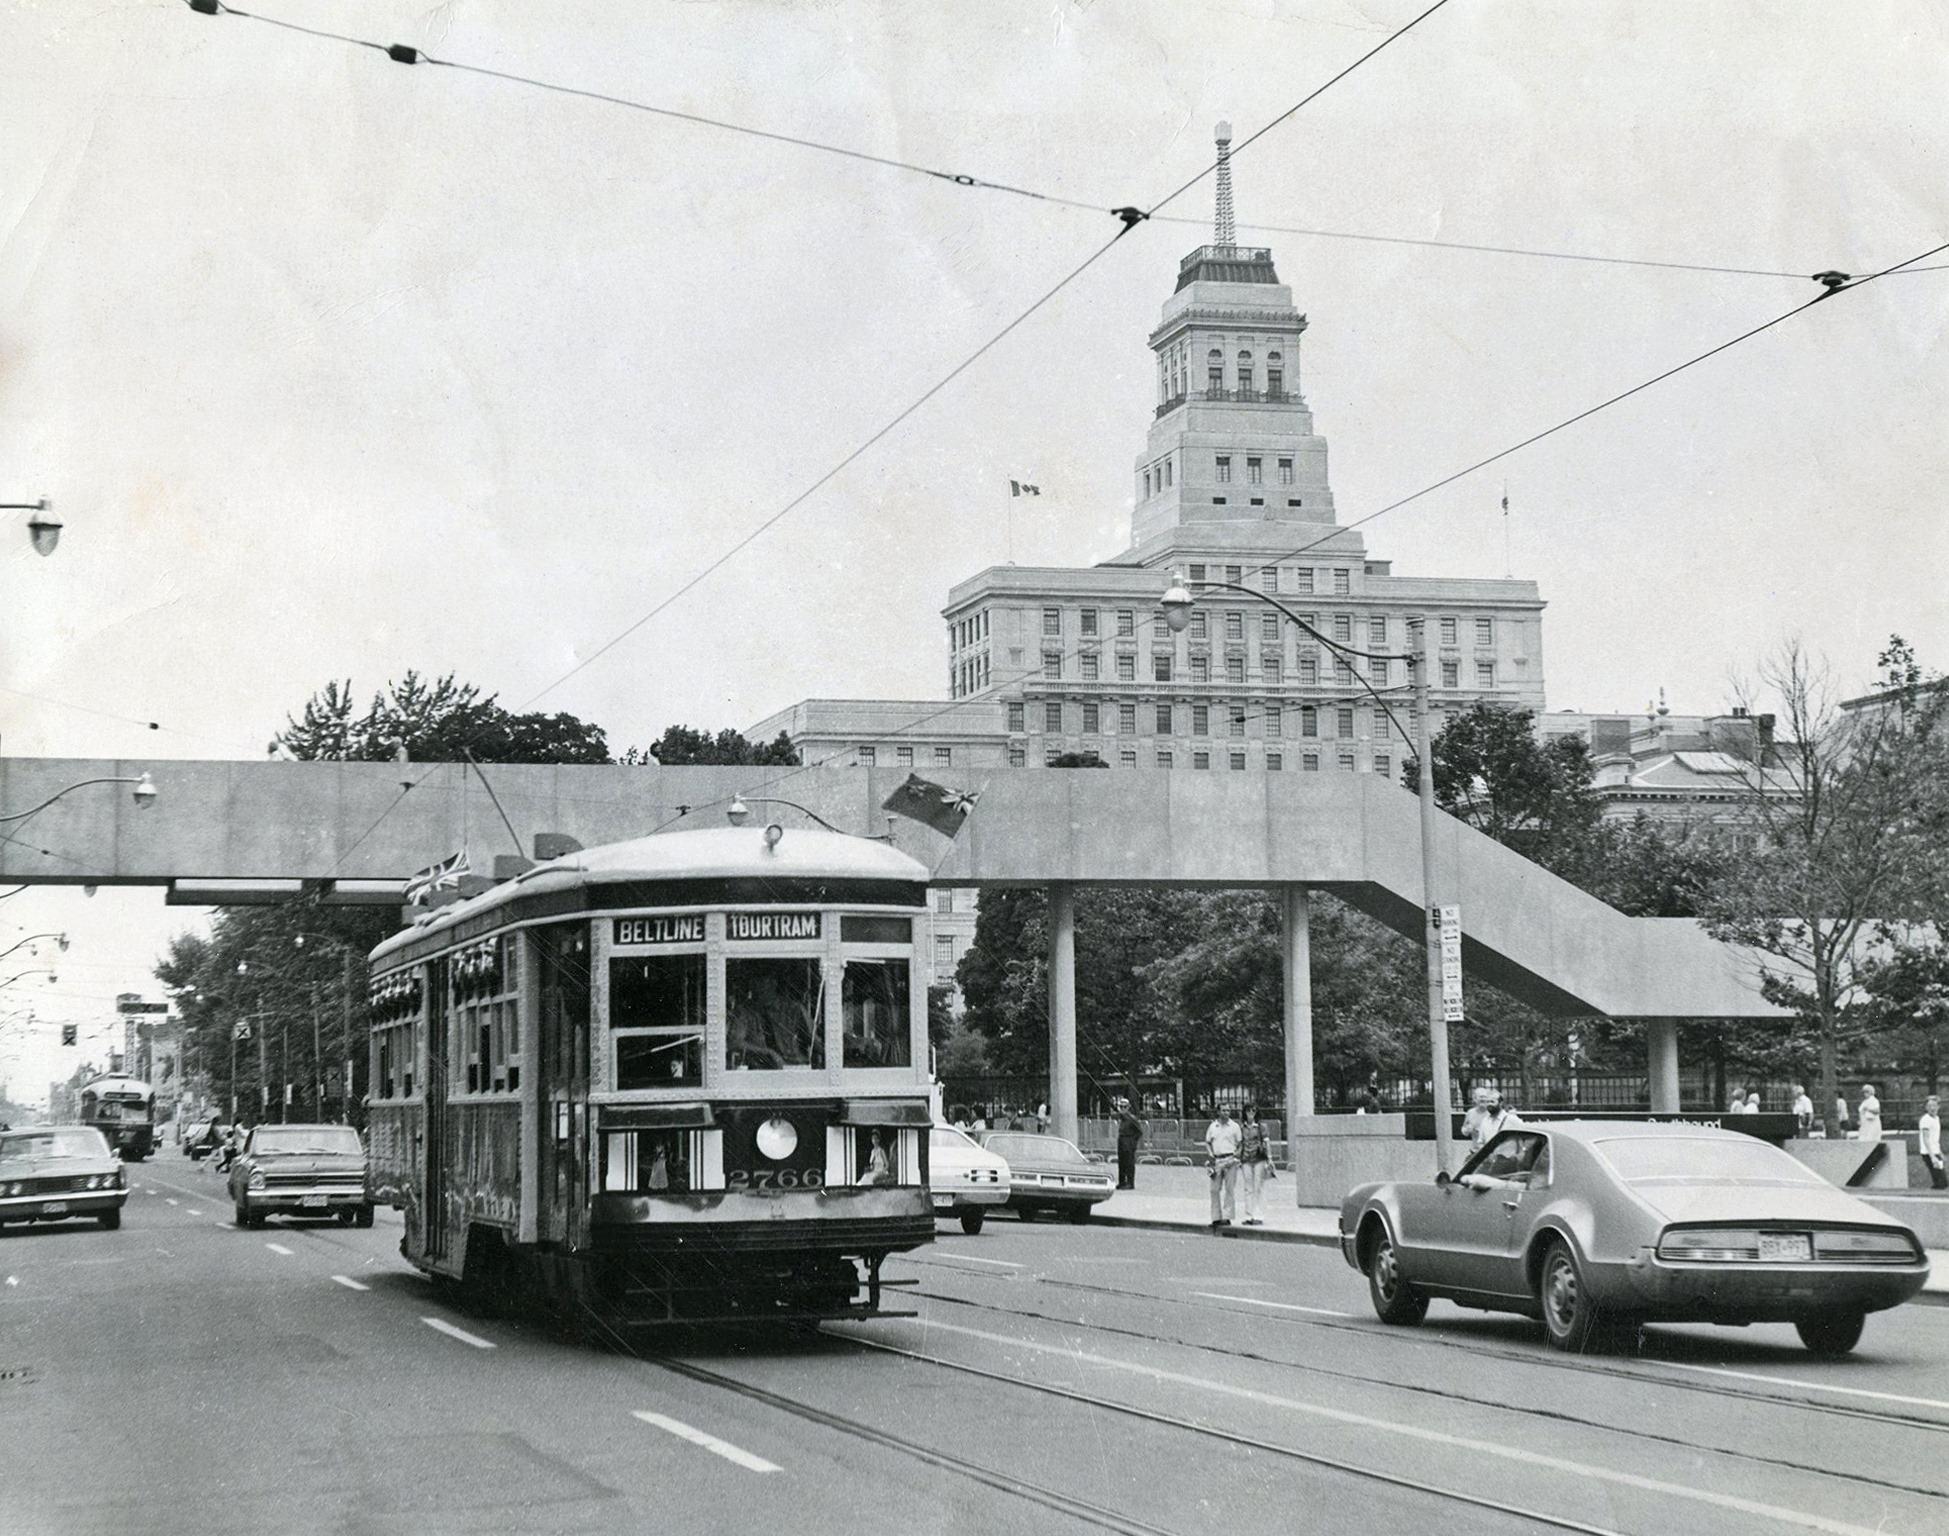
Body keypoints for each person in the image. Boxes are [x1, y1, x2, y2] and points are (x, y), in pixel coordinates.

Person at [1204, 1104, 1242, 1230]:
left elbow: (1240, 1143)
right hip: (1217, 1160)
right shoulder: (1213, 1126)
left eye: (1228, 1110)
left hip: (1230, 1159)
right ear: (1218, 1112)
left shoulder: (1234, 1127)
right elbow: (1208, 1142)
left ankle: (1227, 1217)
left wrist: (1236, 1155)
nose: (1226, 1113)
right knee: (1214, 1189)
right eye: (1224, 1110)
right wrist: (1210, 1154)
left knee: (1229, 1189)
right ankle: (1216, 1217)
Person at [1237, 1103, 1273, 1225]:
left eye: (1253, 1111)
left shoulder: (1261, 1127)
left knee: (1259, 1186)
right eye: (1248, 1111)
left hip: (1259, 1158)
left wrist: (1270, 1158)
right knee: (1248, 1188)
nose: (1251, 1113)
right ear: (1245, 1113)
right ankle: (1249, 1215)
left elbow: (1267, 1143)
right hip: (1246, 1158)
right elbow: (1239, 1143)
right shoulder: (1241, 1127)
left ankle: (1259, 1215)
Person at [1113, 1096, 1144, 1190]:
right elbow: (1116, 1114)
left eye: (1124, 1107)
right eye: (1121, 1107)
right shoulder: (1122, 1118)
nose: (1122, 1109)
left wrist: (1133, 1143)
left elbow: (1139, 1132)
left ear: (1128, 1107)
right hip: (1121, 1141)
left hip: (1129, 1142)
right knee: (1121, 1163)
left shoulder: (1132, 1119)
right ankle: (1122, 1182)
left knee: (1129, 1163)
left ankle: (1130, 1183)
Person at [1919, 1095, 1946, 1190]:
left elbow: (1935, 1138)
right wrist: (1932, 1156)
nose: (1932, 1108)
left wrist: (1939, 1152)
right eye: (1929, 1106)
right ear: (1926, 1107)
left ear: (1938, 1106)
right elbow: (1926, 1139)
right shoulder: (1925, 1120)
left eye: (1934, 1105)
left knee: (1941, 1180)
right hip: (1928, 1152)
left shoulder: (1936, 1118)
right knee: (1941, 1180)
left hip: (1935, 1151)